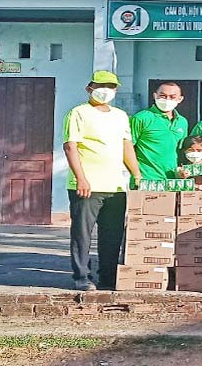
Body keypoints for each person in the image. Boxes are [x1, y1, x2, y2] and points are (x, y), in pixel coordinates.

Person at [63, 70, 141, 292]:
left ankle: (108, 277)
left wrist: (136, 173)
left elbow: (127, 146)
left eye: (110, 86)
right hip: (87, 186)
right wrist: (81, 178)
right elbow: (71, 146)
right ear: (90, 87)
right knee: (82, 233)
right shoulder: (78, 113)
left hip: (115, 186)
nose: (105, 90)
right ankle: (82, 277)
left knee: (112, 234)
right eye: (100, 85)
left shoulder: (120, 116)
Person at [129, 82, 188, 181]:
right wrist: (136, 174)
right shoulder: (141, 118)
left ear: (180, 99)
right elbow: (128, 148)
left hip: (172, 180)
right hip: (146, 179)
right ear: (155, 96)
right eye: (163, 96)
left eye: (172, 97)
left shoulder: (182, 121)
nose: (167, 100)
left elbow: (181, 150)